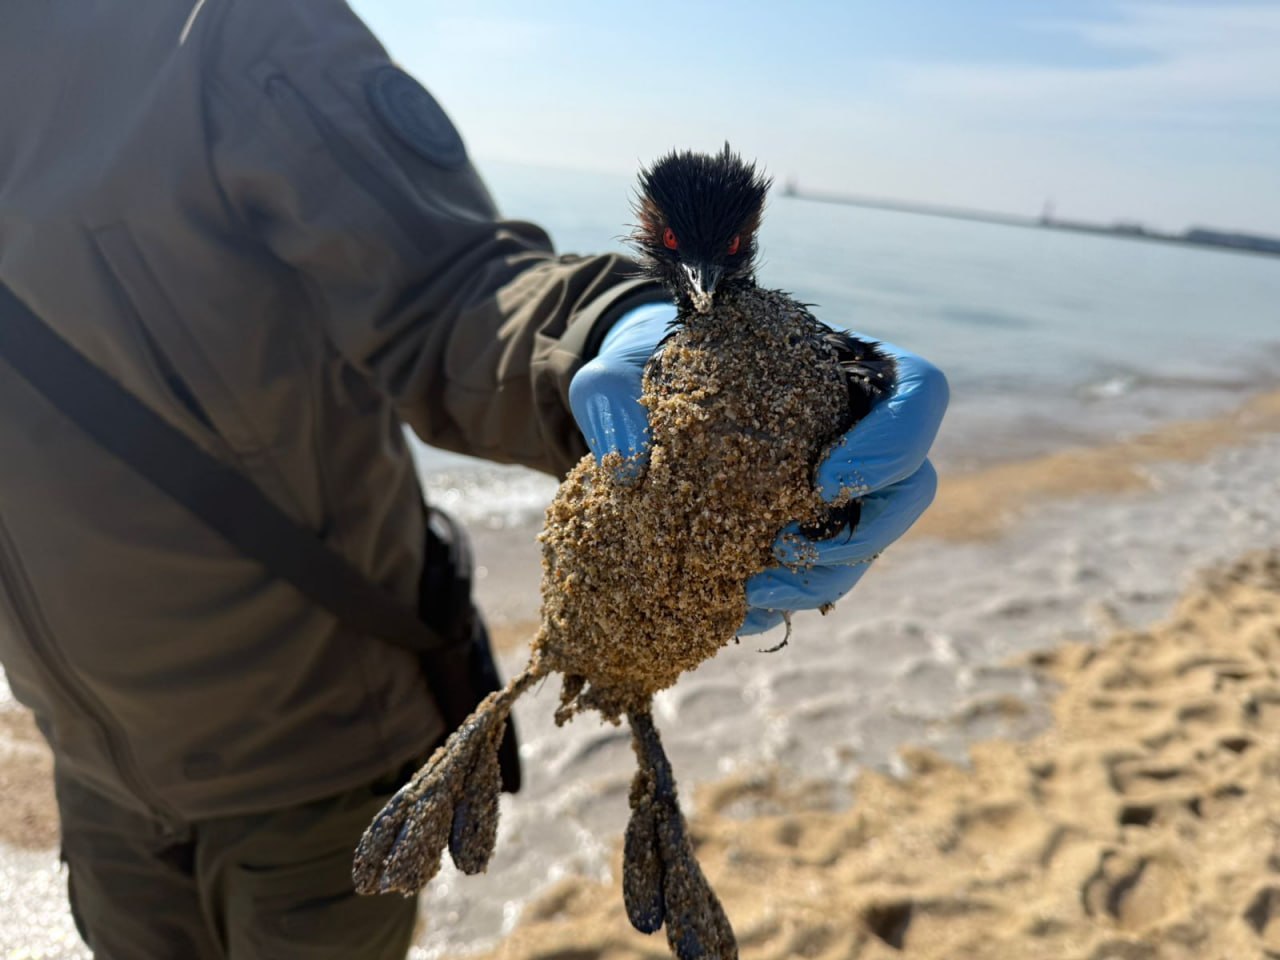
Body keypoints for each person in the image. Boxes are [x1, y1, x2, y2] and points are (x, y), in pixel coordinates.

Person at [0, 1, 947, 958]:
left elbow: (452, 289)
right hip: (89, 780)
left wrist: (613, 335)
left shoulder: (221, 29)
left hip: (312, 756)